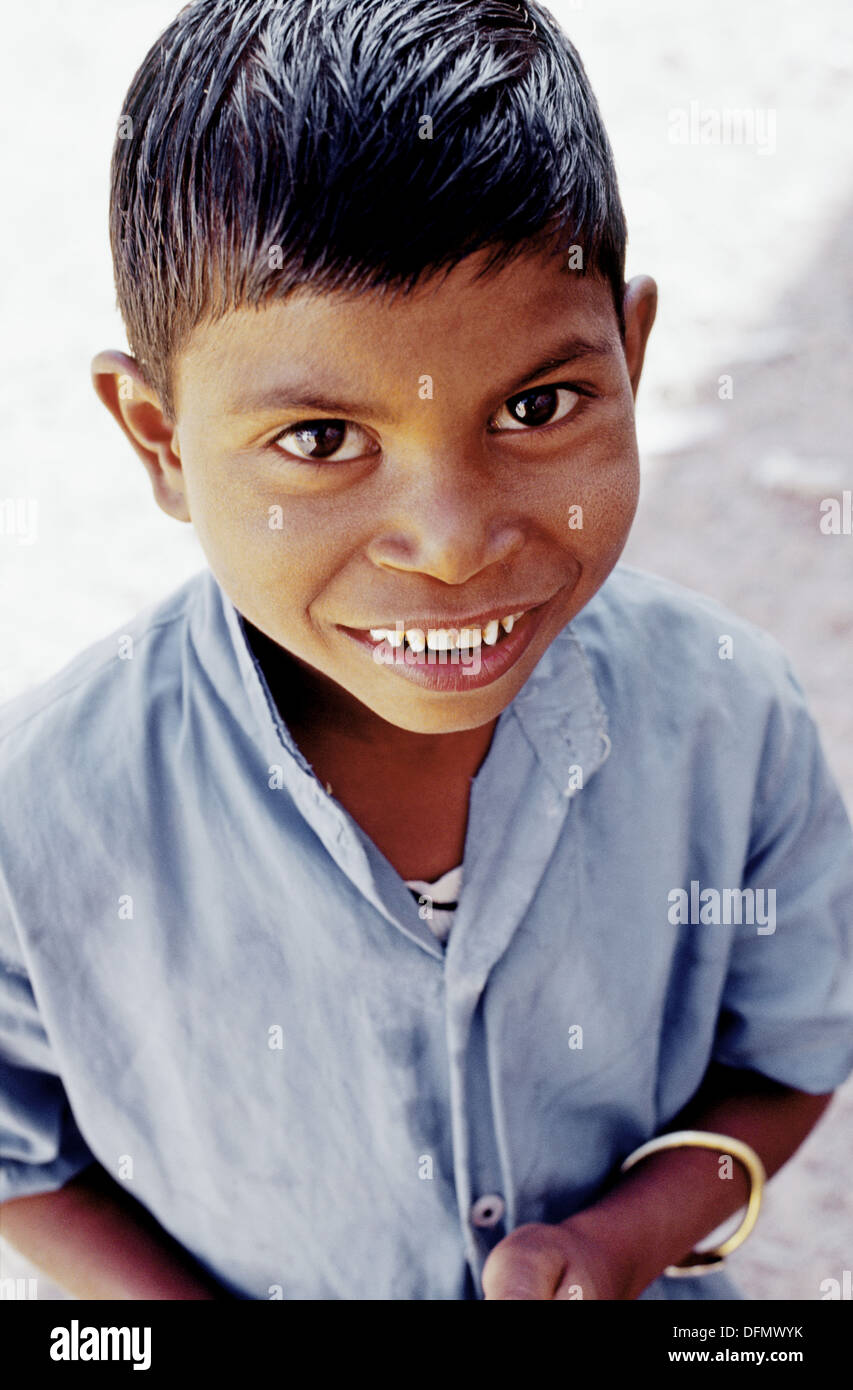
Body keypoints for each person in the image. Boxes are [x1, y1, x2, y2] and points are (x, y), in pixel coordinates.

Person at [1, 0, 851, 1302]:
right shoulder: (43, 809)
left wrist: (624, 1236)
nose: (452, 543)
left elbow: (790, 1052)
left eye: (534, 405)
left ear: (629, 356)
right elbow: (22, 1154)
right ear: (161, 442)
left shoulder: (728, 723)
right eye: (322, 439)